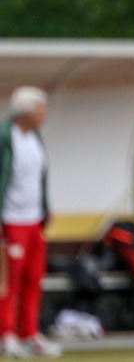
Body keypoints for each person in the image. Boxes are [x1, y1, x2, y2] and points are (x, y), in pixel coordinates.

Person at [0, 87, 61, 358]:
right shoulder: (4, 137)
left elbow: (40, 178)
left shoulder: (36, 137)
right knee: (8, 281)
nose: (43, 115)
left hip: (35, 221)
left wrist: (46, 208)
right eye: (40, 109)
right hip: (11, 221)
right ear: (24, 111)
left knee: (34, 279)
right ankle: (7, 334)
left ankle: (29, 333)